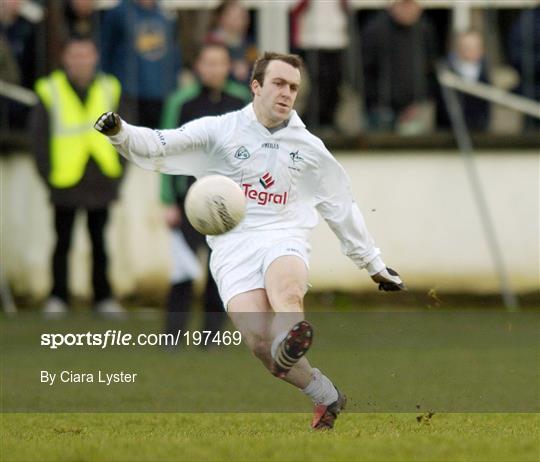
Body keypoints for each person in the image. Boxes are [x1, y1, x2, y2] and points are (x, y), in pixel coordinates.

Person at [94, 52, 405, 429]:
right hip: (231, 247)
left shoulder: (308, 147)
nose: (286, 92)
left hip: (283, 234)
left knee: (287, 291)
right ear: (256, 86)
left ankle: (291, 335)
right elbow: (161, 144)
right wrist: (120, 133)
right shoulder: (220, 130)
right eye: (278, 83)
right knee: (261, 346)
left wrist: (372, 263)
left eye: (293, 86)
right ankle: (325, 394)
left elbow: (340, 205)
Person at [160, 42, 251, 341]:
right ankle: (173, 335)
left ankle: (212, 336)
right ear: (198, 67)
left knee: (220, 271)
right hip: (188, 201)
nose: (213, 69)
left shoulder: (240, 101)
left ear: (229, 66)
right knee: (184, 270)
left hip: (228, 204)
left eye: (220, 62)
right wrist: (167, 200)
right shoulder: (180, 102)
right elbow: (165, 151)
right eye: (208, 63)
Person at [31, 37, 125, 317]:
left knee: (99, 241)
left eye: (86, 54)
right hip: (65, 178)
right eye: (75, 55)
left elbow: (125, 133)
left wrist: (118, 175)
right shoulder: (50, 90)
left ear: (95, 57)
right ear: (65, 58)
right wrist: (48, 175)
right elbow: (38, 138)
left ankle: (103, 297)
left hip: (101, 176)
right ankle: (58, 296)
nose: (81, 61)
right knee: (62, 241)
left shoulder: (111, 87)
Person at [100, 0, 181, 127]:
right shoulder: (119, 13)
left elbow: (174, 51)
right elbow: (105, 51)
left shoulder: (167, 13)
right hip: (128, 96)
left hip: (163, 95)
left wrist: (174, 83)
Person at [361, 0, 438, 133]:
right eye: (404, 4)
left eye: (412, 5)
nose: (408, 10)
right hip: (380, 108)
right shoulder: (375, 29)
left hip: (414, 108)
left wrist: (419, 100)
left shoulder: (424, 29)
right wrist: (376, 102)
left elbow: (430, 68)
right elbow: (364, 71)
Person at [437, 29, 491, 132]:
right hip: (450, 133)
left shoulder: (485, 76)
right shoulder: (447, 73)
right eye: (465, 47)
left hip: (479, 133)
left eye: (473, 48)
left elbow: (486, 110)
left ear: (481, 50)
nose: (468, 52)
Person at [205, 0, 258, 84]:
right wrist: (232, 68)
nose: (240, 21)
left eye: (243, 16)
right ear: (221, 18)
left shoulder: (249, 42)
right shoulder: (211, 42)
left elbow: (255, 64)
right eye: (235, 17)